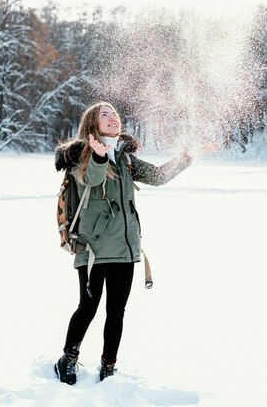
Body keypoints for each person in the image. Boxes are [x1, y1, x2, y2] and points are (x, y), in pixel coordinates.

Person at [53, 101, 215, 384]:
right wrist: (100, 157)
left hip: (125, 247)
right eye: (105, 114)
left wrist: (187, 156)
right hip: (93, 247)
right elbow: (91, 180)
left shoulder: (125, 159)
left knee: (116, 312)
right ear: (93, 123)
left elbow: (158, 176)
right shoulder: (81, 154)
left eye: (114, 114)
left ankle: (108, 366)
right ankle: (67, 359)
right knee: (88, 308)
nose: (113, 117)